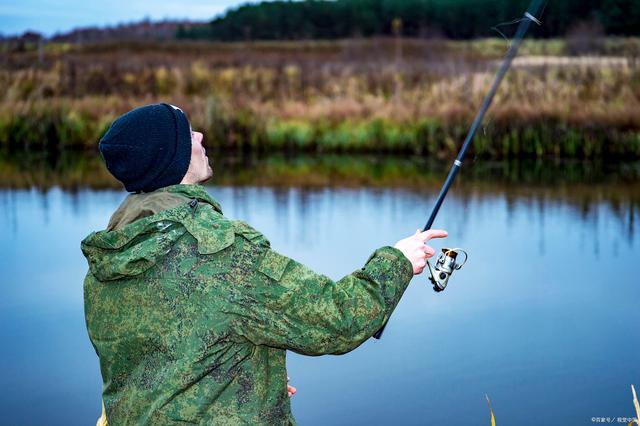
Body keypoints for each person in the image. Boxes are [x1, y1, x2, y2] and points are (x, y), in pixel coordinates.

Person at [81, 103, 447, 425]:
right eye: (187, 131)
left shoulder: (106, 263)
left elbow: (164, 364)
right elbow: (338, 318)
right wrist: (398, 260)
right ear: (171, 158)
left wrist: (251, 383)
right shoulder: (222, 253)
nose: (200, 135)